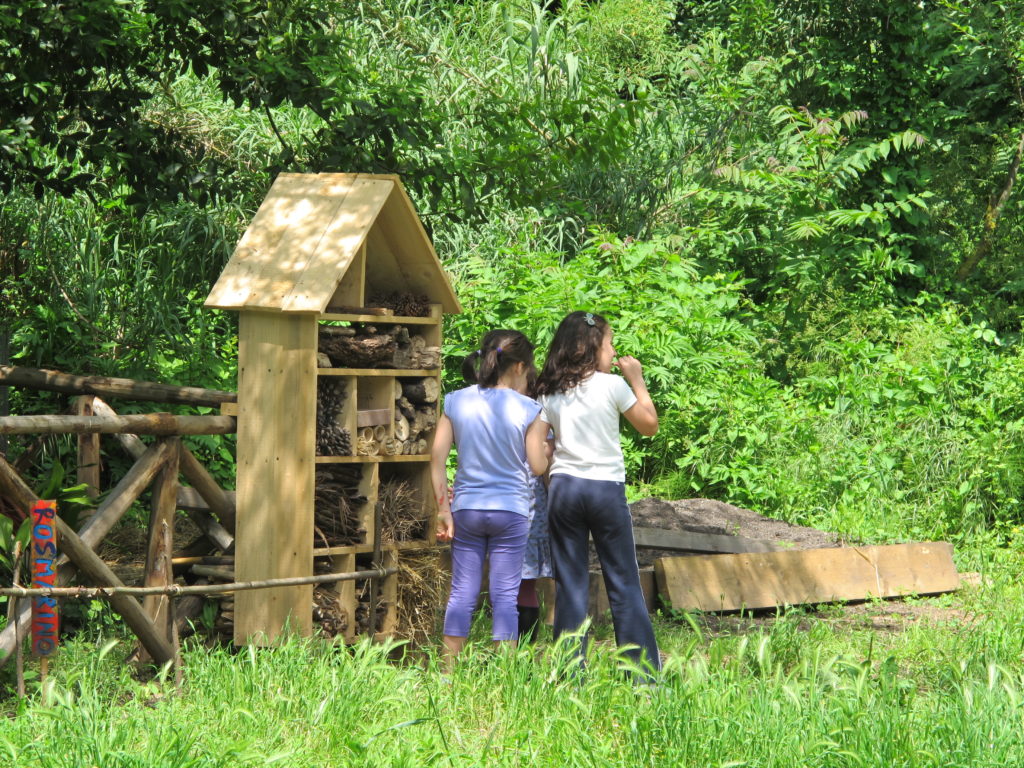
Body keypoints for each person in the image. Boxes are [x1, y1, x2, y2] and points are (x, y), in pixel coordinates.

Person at [536, 310, 661, 675]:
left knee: (571, 585)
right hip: (605, 490)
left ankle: (569, 674)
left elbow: (542, 445)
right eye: (609, 343)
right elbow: (649, 426)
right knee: (623, 581)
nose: (613, 350)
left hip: (564, 490)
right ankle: (641, 676)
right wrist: (636, 380)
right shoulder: (613, 386)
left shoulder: (552, 391)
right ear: (592, 348)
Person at [431, 330, 549, 666]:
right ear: (519, 367)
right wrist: (545, 447)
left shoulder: (456, 400)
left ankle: (446, 672)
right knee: (505, 597)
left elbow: (436, 459)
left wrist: (443, 510)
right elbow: (537, 466)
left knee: (461, 593)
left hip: (466, 508)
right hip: (510, 511)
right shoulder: (529, 408)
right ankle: (504, 674)